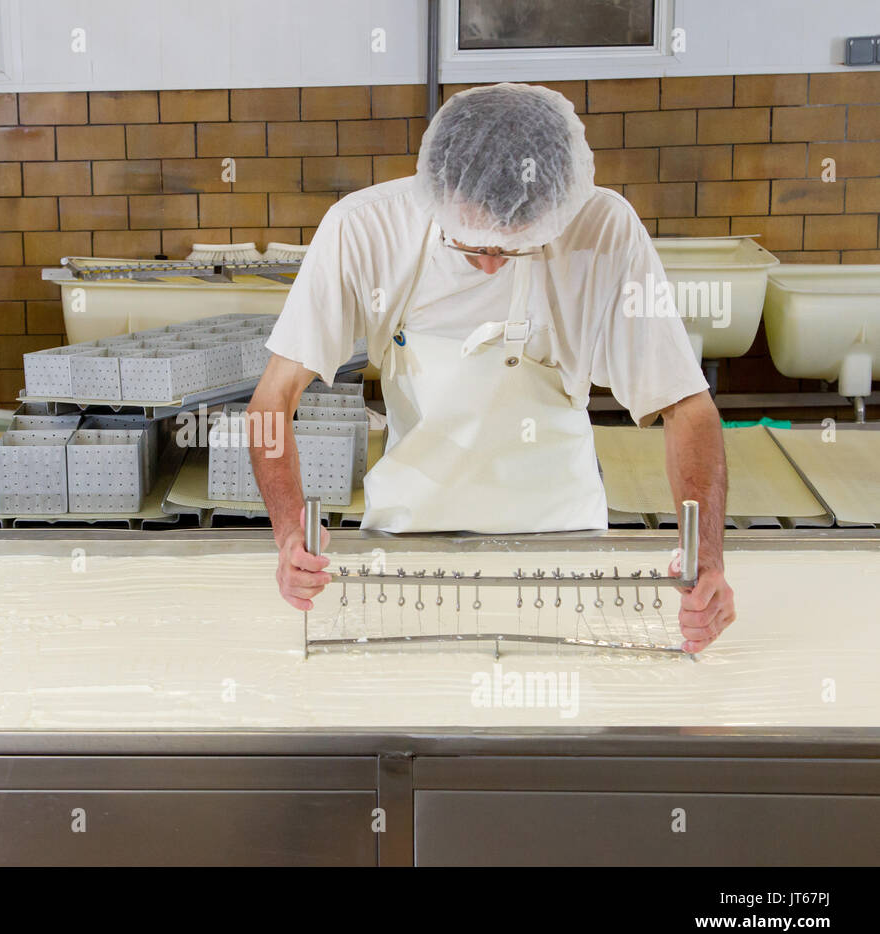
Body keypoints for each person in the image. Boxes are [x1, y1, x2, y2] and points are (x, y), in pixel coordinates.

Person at [247, 82, 734, 653]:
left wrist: (708, 560)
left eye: (511, 248)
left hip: (564, 540)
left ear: (556, 210)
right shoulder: (365, 230)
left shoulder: (604, 231)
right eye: (468, 244)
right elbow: (270, 403)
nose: (486, 264)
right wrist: (286, 533)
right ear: (437, 195)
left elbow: (686, 404)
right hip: (407, 540)